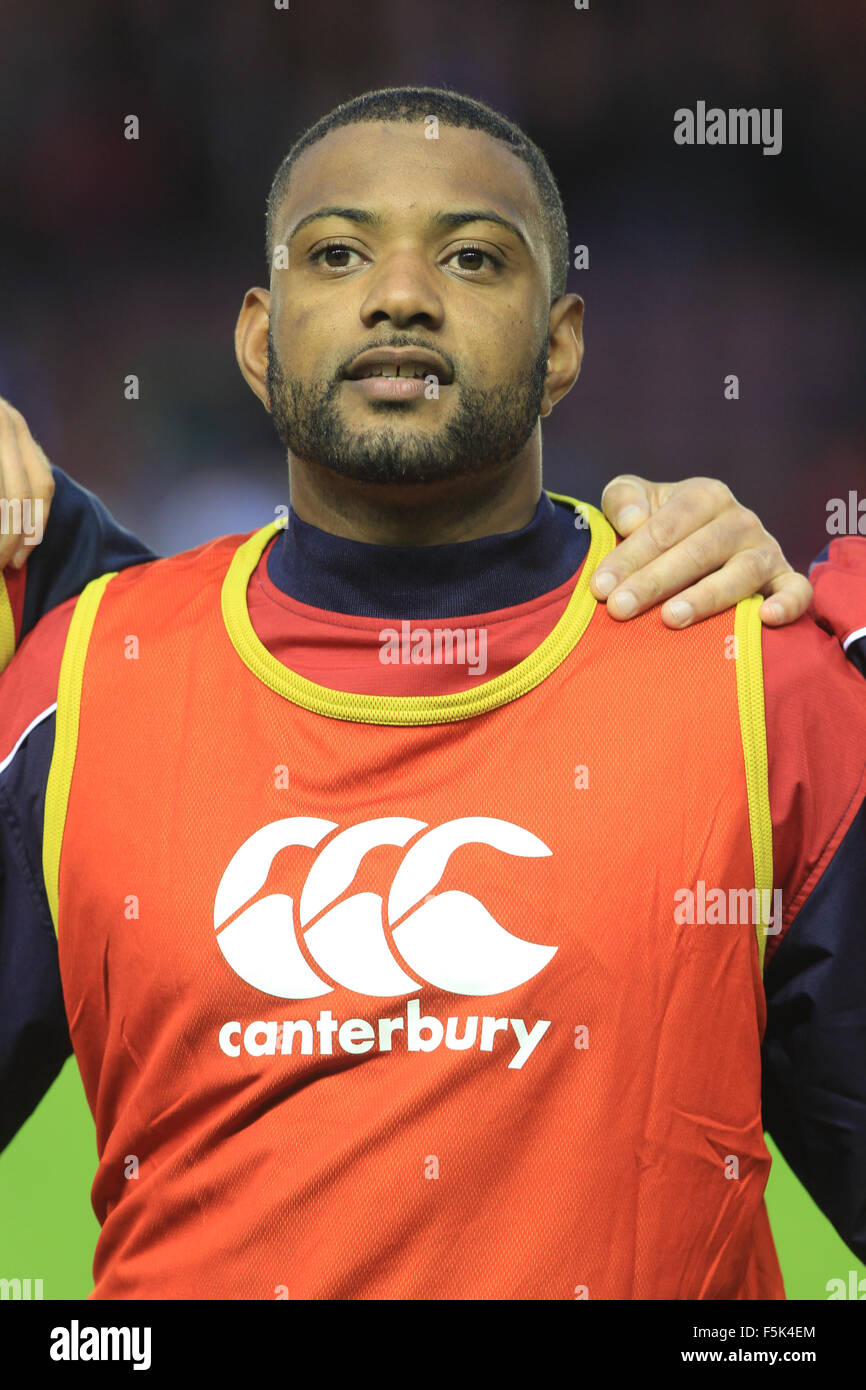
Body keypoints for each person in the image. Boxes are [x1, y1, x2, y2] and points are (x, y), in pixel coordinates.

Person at [0, 84, 863, 1301]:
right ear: (259, 338)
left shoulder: (755, 674)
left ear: (560, 343)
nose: (399, 294)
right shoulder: (82, 684)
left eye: (469, 257)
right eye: (339, 252)